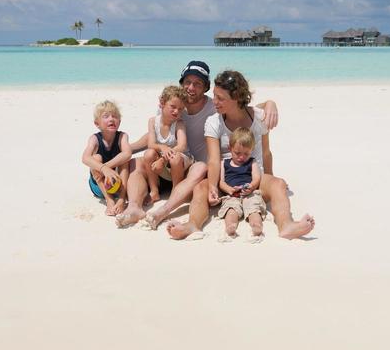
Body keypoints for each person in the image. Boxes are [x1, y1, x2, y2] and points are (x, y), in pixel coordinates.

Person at [118, 60, 278, 231]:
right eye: (187, 82)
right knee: (137, 162)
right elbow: (158, 135)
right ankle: (134, 207)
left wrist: (270, 103)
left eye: (197, 84)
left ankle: (168, 205)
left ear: (206, 87)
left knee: (200, 167)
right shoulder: (174, 104)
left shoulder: (215, 107)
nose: (191, 88)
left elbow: (242, 107)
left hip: (190, 169)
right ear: (181, 83)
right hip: (164, 164)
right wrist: (129, 148)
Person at [165, 69, 315, 240]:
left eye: (220, 98)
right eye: (214, 95)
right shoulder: (214, 122)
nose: (214, 102)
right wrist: (213, 186)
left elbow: (266, 153)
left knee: (279, 184)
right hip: (224, 179)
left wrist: (271, 181)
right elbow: (213, 160)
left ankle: (286, 225)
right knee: (200, 188)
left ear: (236, 98)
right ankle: (192, 225)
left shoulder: (259, 118)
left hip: (254, 177)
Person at [81, 100, 132, 216]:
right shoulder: (94, 139)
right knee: (96, 158)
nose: (111, 119)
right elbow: (85, 158)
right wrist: (103, 169)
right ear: (97, 123)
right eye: (106, 116)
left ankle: (121, 199)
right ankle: (109, 200)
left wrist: (107, 167)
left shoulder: (122, 136)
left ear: (119, 121)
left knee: (124, 158)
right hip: (99, 186)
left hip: (119, 185)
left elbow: (128, 154)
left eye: (115, 116)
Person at [143, 85, 192, 203]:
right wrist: (162, 147)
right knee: (149, 154)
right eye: (173, 107)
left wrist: (163, 160)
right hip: (164, 160)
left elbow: (182, 146)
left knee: (175, 158)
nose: (176, 111)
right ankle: (154, 191)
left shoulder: (179, 124)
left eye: (181, 109)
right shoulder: (153, 121)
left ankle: (176, 191)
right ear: (162, 103)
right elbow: (151, 144)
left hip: (180, 160)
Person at [218, 127, 266, 242]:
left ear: (251, 150)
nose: (241, 157)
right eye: (237, 153)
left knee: (253, 208)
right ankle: (231, 225)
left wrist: (251, 186)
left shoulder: (252, 162)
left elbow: (256, 178)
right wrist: (229, 189)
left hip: (249, 193)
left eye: (246, 153)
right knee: (231, 209)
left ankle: (256, 225)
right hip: (232, 194)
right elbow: (221, 182)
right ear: (230, 148)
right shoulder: (224, 163)